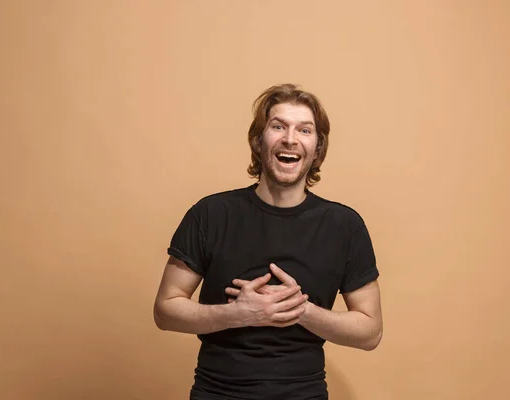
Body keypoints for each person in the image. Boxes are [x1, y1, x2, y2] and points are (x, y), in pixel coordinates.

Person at [154, 83, 383, 400]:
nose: (291, 138)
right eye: (278, 127)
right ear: (258, 140)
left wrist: (299, 310)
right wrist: (237, 314)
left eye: (304, 130)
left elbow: (370, 332)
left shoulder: (345, 226)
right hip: (217, 393)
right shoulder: (210, 214)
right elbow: (165, 310)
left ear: (317, 149)